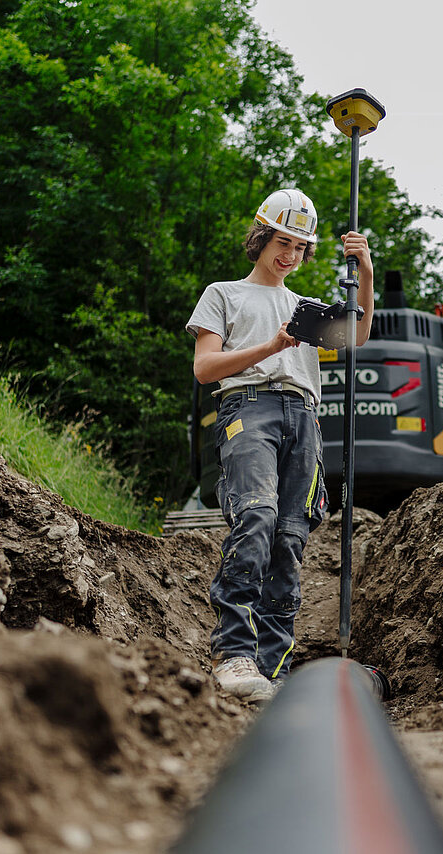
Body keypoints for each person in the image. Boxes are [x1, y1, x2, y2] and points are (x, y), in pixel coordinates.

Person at [185, 188, 374, 701]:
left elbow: (356, 337)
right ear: (262, 237)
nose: (290, 255)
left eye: (300, 247)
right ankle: (234, 654)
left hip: (304, 418)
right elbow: (205, 369)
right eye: (283, 242)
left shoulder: (304, 308)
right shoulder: (223, 294)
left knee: (290, 537)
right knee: (256, 516)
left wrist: (366, 272)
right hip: (248, 409)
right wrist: (271, 346)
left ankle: (274, 666)